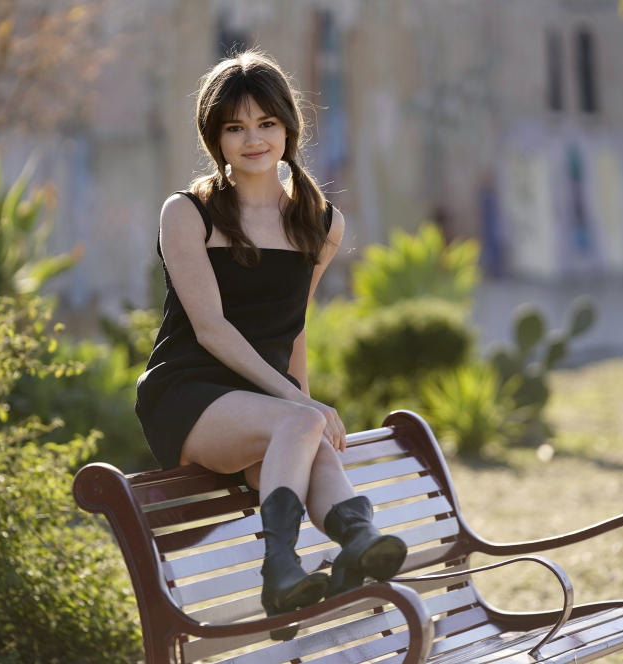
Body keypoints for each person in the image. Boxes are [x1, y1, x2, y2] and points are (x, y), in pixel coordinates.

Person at [134, 50, 406, 640]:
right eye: (235, 127)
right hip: (188, 392)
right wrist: (300, 408)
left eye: (265, 124)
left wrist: (304, 404)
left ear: (288, 128)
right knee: (299, 425)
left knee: (313, 442)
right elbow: (210, 329)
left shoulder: (321, 224)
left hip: (262, 402)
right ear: (215, 138)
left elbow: (294, 328)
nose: (252, 139)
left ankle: (357, 544)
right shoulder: (189, 214)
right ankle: (281, 565)